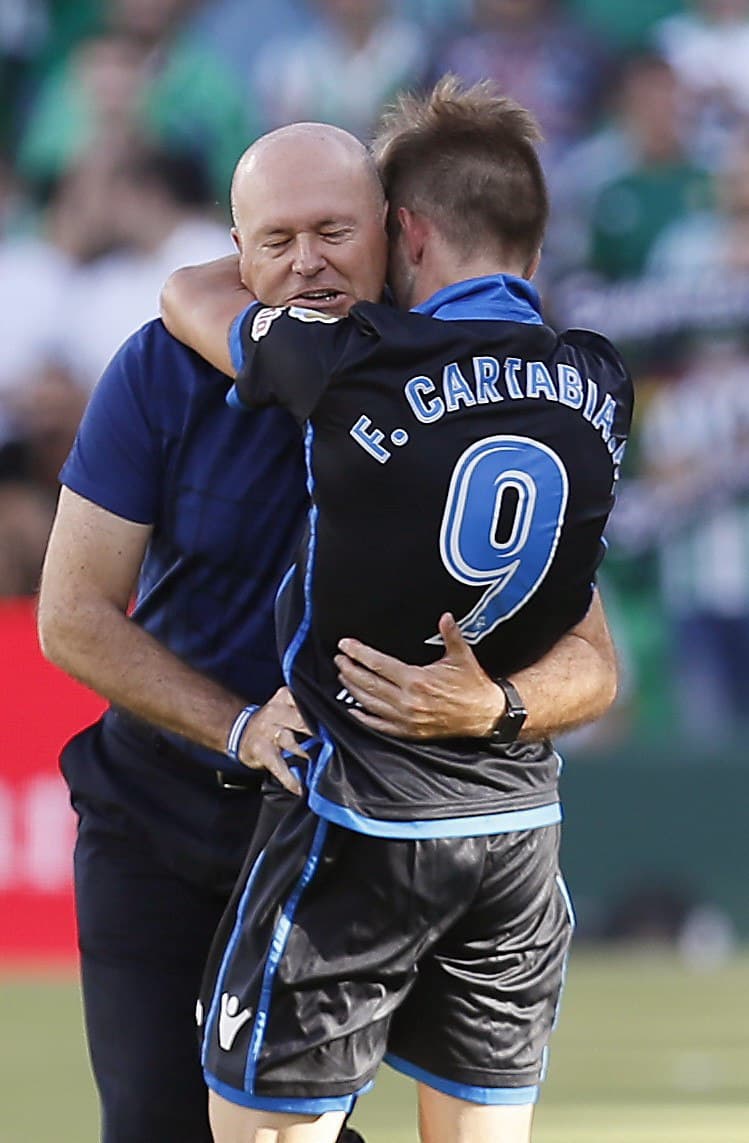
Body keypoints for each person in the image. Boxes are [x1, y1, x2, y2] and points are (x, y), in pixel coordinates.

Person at [37, 99, 619, 1143]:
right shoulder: (161, 368)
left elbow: (590, 654)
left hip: (351, 813)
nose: (306, 262)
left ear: (396, 233)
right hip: (165, 809)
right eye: (276, 240)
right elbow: (71, 619)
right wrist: (235, 725)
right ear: (237, 254)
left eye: (332, 233)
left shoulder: (443, 382)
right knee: (159, 1125)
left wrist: (493, 705)